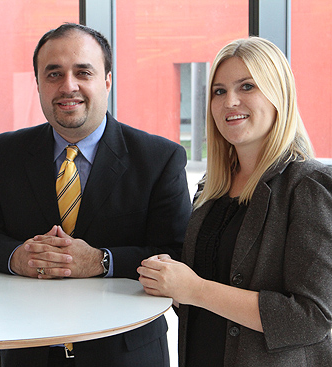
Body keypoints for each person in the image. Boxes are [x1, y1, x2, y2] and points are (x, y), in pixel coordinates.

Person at [0, 23, 192, 367]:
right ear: (39, 85)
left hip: (126, 355)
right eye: (54, 74)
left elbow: (176, 255)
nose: (68, 86)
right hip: (27, 351)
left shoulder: (159, 158)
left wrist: (101, 261)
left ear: (107, 81)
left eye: (82, 72)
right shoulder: (5, 153)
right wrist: (19, 257)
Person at [137, 36, 332, 367]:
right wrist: (167, 280)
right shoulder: (209, 189)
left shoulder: (309, 185)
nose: (230, 102)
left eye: (247, 87)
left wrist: (195, 290)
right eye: (219, 91)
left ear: (278, 96)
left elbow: (310, 317)